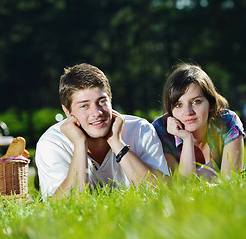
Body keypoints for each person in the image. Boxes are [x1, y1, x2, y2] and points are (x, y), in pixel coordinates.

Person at [35, 63, 169, 199]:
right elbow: (62, 207)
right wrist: (80, 145)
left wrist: (117, 143)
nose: (97, 112)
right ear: (67, 111)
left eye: (102, 101)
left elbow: (162, 192)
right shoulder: (51, 143)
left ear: (111, 100)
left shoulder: (141, 130)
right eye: (84, 105)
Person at [152, 63, 244, 179]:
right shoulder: (161, 131)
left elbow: (231, 182)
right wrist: (187, 139)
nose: (188, 112)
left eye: (196, 102)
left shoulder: (226, 122)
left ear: (210, 103)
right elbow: (183, 185)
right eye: (178, 105)